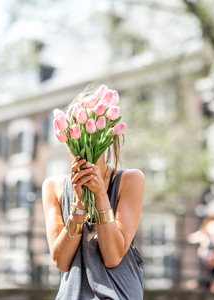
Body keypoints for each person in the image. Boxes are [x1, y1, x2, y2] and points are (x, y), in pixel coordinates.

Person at [42, 85, 145, 300]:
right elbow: (61, 262)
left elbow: (113, 257)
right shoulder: (53, 187)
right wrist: (79, 204)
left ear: (109, 135)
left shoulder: (130, 180)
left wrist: (100, 195)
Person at [187, 214, 214, 292]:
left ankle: (203, 291)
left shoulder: (208, 225)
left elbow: (196, 237)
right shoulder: (213, 225)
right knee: (209, 276)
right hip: (210, 254)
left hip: (205, 254)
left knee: (206, 275)